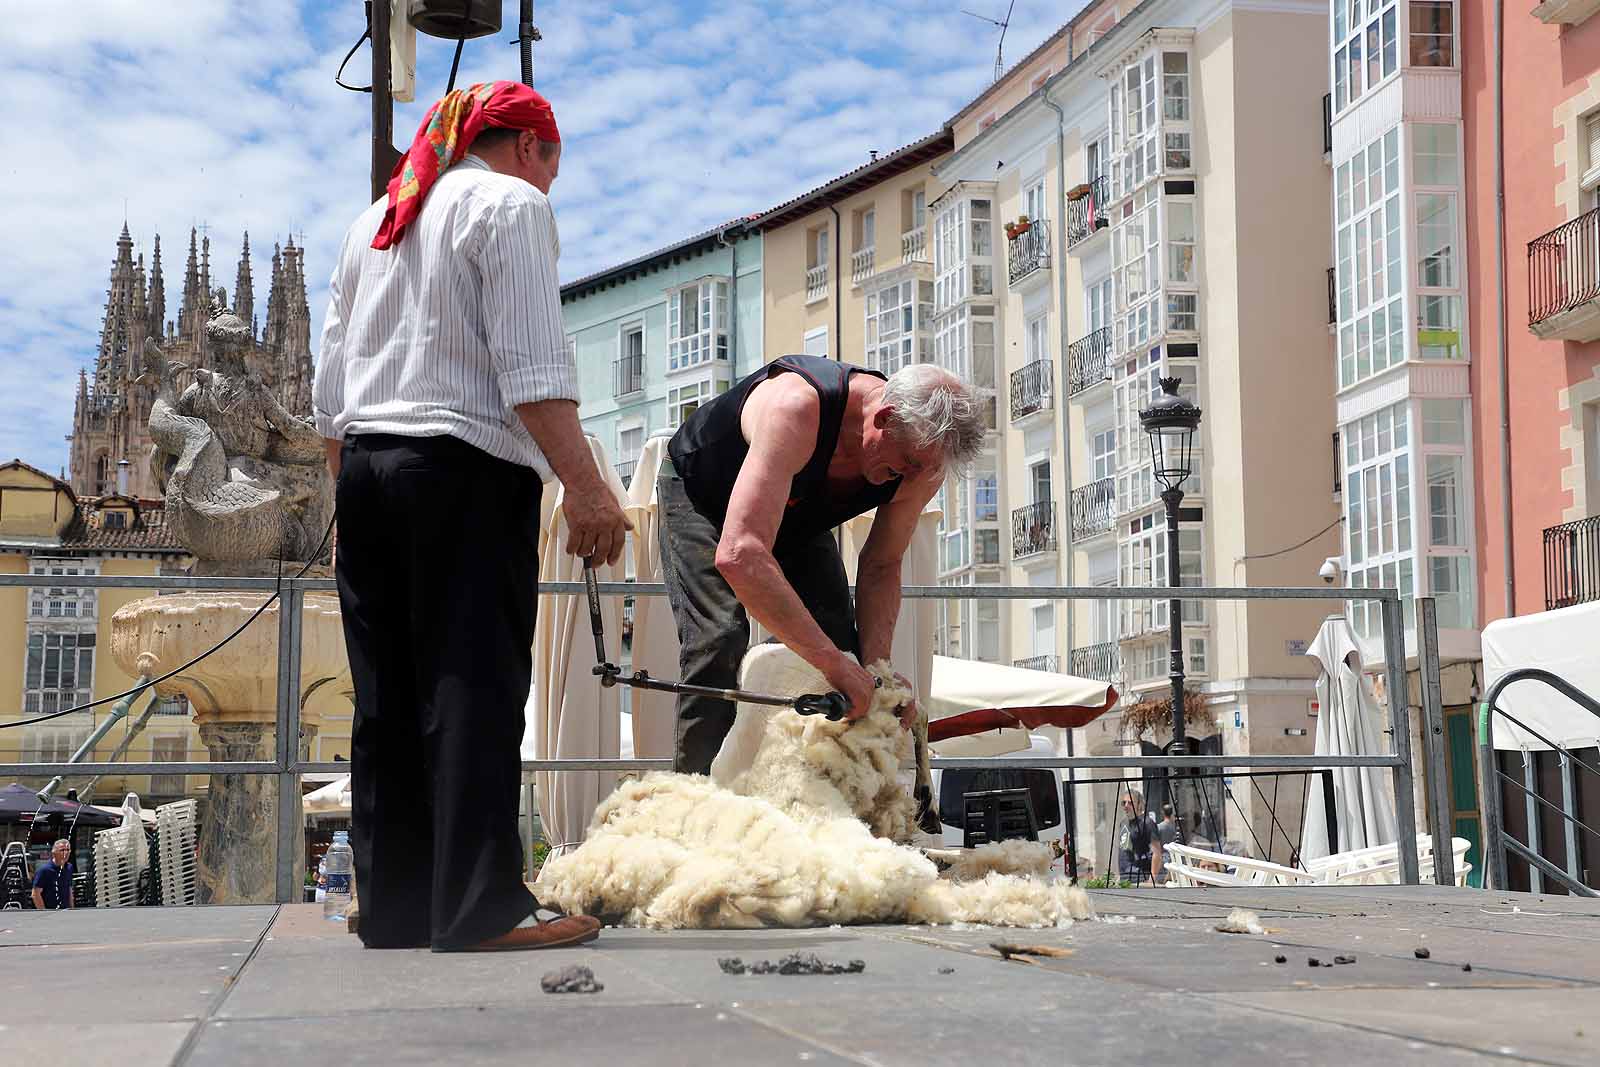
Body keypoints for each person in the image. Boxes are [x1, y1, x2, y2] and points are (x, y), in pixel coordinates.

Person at [314, 80, 627, 953]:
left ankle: (397, 902)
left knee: (387, 696)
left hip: (369, 470)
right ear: (532, 148)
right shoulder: (509, 206)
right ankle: (482, 903)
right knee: (473, 684)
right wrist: (589, 489)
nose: (552, 184)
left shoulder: (375, 221)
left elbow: (330, 395)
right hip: (462, 468)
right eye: (555, 166)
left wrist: (348, 499)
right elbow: (531, 366)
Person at [659, 356, 983, 777]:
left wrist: (875, 675)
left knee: (842, 649)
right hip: (702, 494)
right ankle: (694, 803)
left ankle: (824, 800)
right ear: (883, 418)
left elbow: (882, 564)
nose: (906, 477)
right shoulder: (796, 407)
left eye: (923, 469)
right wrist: (835, 665)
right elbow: (740, 553)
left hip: (798, 512)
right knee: (719, 638)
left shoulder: (922, 463)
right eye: (906, 463)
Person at [1116, 789, 1164, 886]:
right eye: (1123, 803)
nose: (1126, 806)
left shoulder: (1147, 823)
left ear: (1139, 805)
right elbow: (1124, 850)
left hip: (1140, 878)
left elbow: (1157, 852)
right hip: (1124, 878)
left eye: (1130, 803)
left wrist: (1152, 878)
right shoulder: (1123, 823)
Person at [30, 839, 73, 910]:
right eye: (62, 850)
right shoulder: (44, 870)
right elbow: (35, 894)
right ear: (54, 853)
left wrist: (72, 910)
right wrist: (44, 914)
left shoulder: (69, 868)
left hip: (66, 913)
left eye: (68, 850)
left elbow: (69, 889)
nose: (66, 853)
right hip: (50, 913)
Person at [1154, 802, 1180, 883]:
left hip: (1162, 857)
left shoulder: (1159, 827)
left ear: (1162, 812)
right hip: (1173, 857)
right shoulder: (1174, 827)